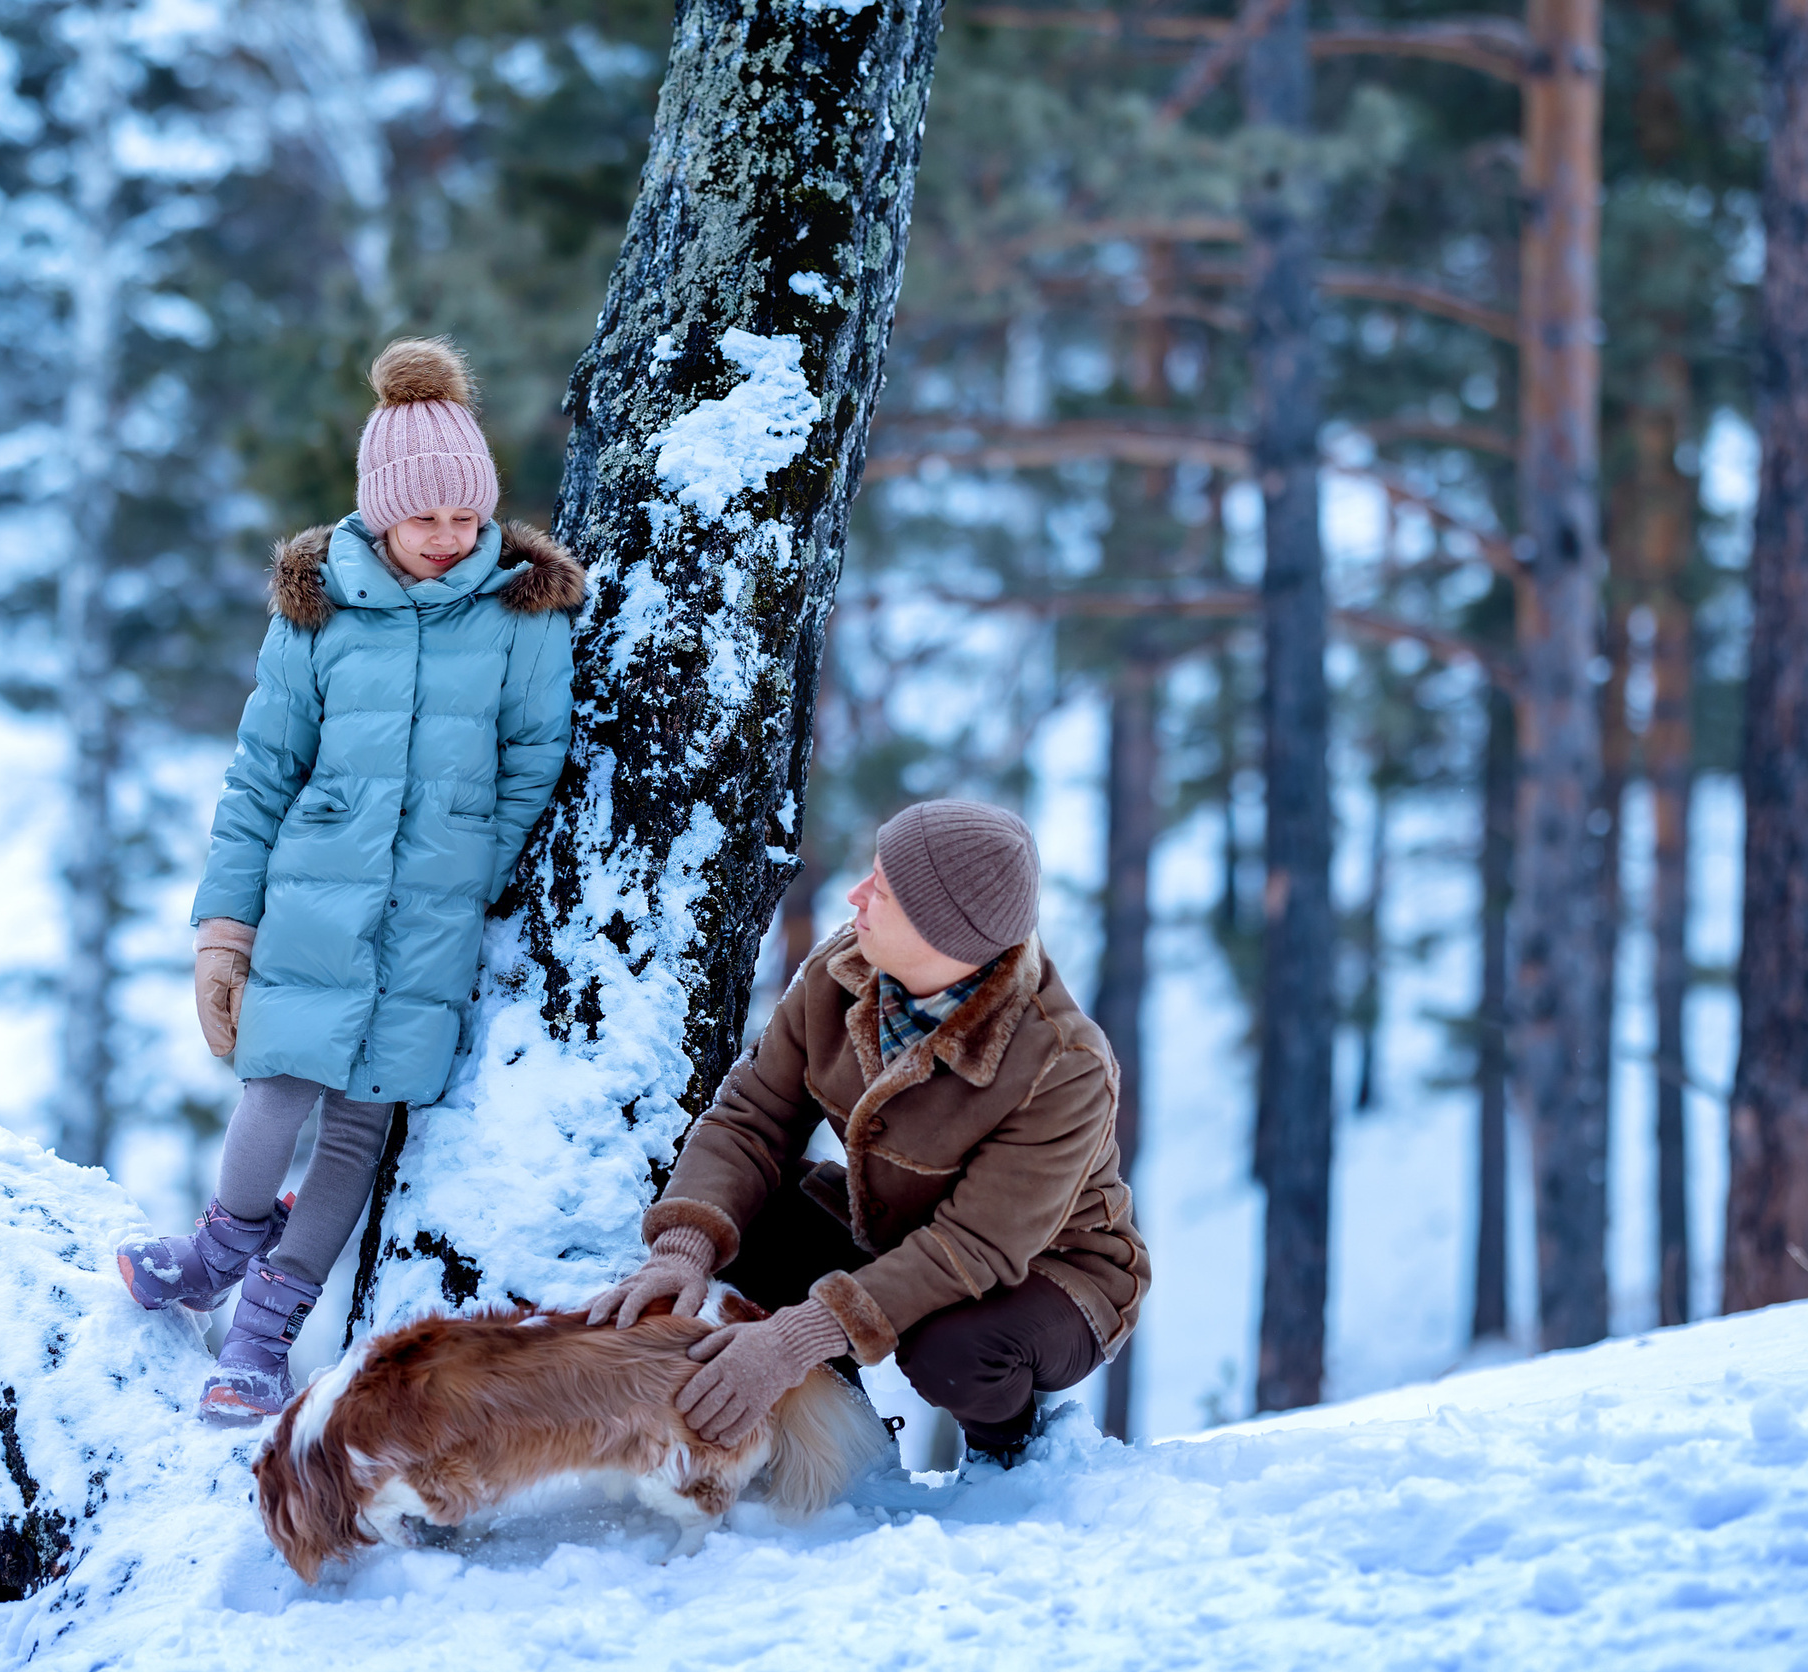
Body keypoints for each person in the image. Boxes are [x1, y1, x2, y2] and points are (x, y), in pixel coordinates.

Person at [117, 336, 583, 1418]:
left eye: (468, 518)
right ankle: (215, 1250)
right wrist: (224, 929)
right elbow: (261, 771)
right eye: (427, 519)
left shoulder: (520, 612)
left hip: (432, 914)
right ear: (380, 510)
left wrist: (474, 861)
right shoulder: (318, 607)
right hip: (316, 895)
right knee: (276, 1081)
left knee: (363, 1125)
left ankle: (264, 1336)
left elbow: (533, 760)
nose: (450, 538)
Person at [589, 800, 1149, 1464]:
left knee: (949, 1353)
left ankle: (1011, 1456)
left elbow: (973, 1248)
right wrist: (682, 1248)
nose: (856, 895)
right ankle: (849, 1439)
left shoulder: (1063, 1065)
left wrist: (797, 1337)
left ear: (944, 931)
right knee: (741, 1220)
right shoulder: (838, 974)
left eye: (881, 889)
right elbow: (751, 1118)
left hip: (1047, 1273)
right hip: (891, 1232)